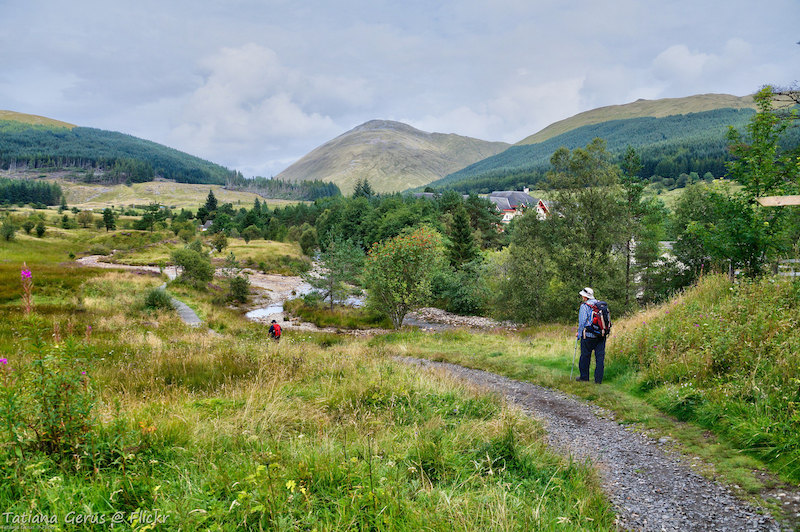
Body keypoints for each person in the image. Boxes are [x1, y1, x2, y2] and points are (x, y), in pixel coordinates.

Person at [576, 287, 605, 384]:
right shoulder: (600, 304)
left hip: (588, 335)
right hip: (601, 335)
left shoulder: (585, 306)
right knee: (600, 358)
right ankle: (598, 380)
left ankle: (584, 378)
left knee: (585, 356)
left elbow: (582, 322)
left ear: (585, 296)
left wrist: (579, 334)